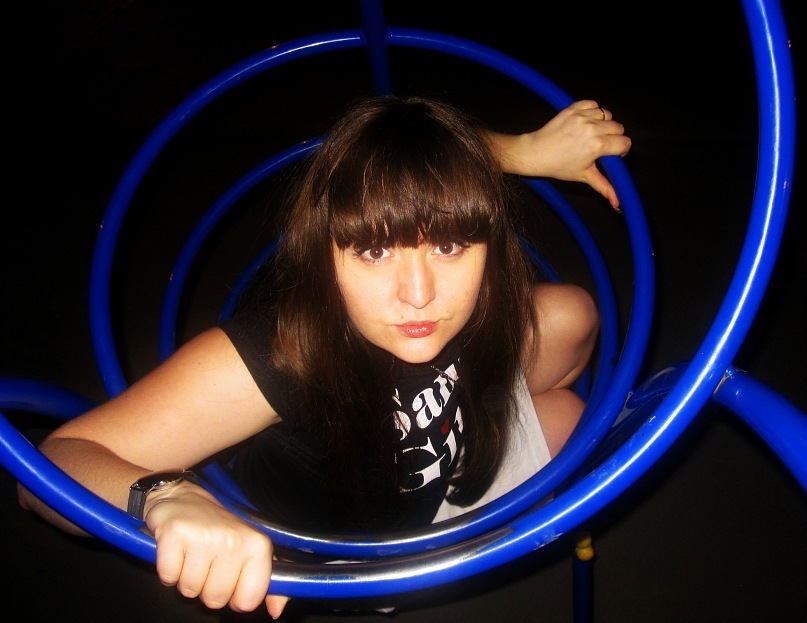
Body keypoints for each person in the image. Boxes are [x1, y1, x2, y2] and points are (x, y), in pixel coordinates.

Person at [17, 95, 630, 619]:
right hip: (367, 549)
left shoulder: (452, 298)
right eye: (373, 252)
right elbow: (47, 476)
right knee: (569, 421)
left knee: (571, 316)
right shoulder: (282, 354)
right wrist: (166, 497)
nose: (419, 295)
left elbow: (415, 180)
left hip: (450, 451)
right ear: (324, 250)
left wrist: (525, 150)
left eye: (448, 245)